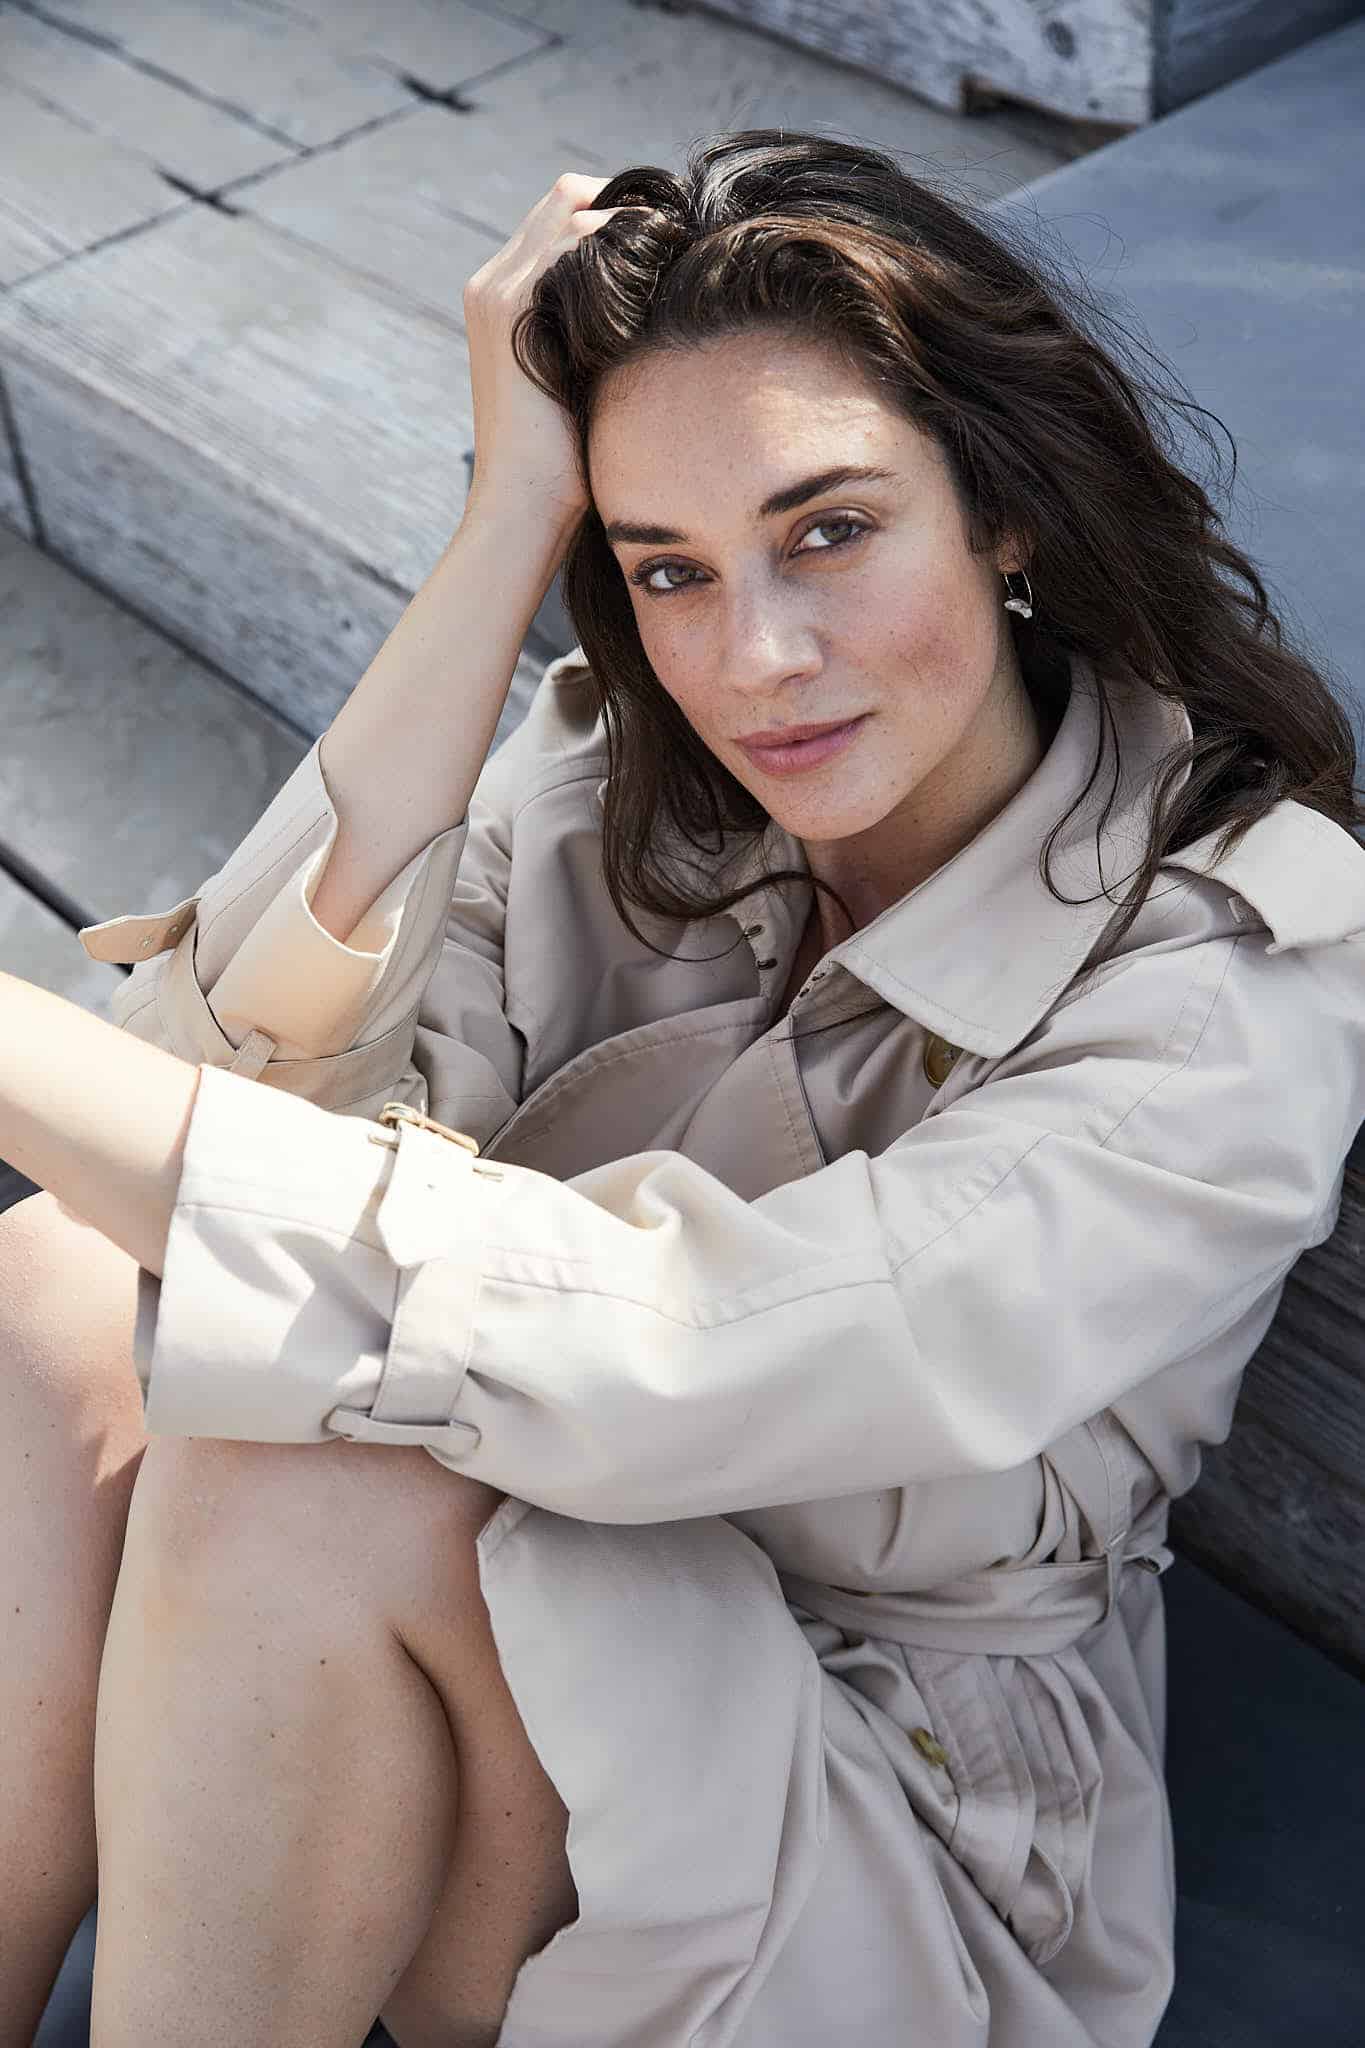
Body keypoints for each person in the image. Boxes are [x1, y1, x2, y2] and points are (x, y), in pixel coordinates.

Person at [1, 128, 1363, 2048]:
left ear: (1003, 511)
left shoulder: (1235, 971)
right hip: (530, 1605)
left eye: (829, 531)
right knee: (61, 1284)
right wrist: (503, 530)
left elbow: (697, 1348)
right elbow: (202, 1120)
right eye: (668, 568)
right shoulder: (623, 779)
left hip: (888, 1816)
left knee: (302, 1468)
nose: (759, 658)